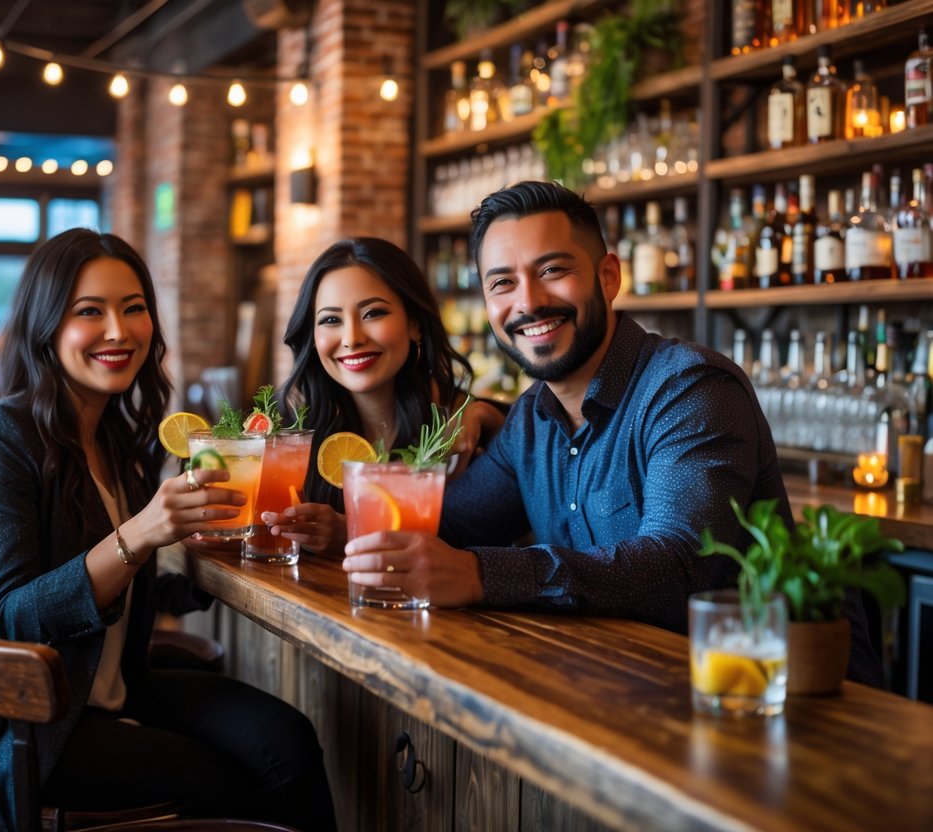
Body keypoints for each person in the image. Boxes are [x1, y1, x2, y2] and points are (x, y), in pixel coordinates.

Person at [339, 181, 882, 686]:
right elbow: (447, 526)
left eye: (552, 270)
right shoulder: (532, 420)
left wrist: (479, 574)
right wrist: (338, 527)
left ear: (608, 277)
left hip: (772, 700)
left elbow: (677, 567)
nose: (527, 302)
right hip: (626, 689)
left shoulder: (690, 389)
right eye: (502, 282)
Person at [0, 229, 335, 831]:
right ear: (46, 327)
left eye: (133, 308)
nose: (119, 330)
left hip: (109, 687)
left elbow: (133, 589)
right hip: (24, 726)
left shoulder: (117, 438)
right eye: (90, 312)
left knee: (287, 740)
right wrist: (139, 535)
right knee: (230, 778)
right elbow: (8, 617)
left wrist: (208, 554)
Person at [265, 237, 505, 555]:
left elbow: (476, 546)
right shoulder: (299, 434)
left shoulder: (466, 434)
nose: (352, 338)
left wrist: (487, 415)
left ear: (415, 325)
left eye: (373, 313)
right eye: (331, 320)